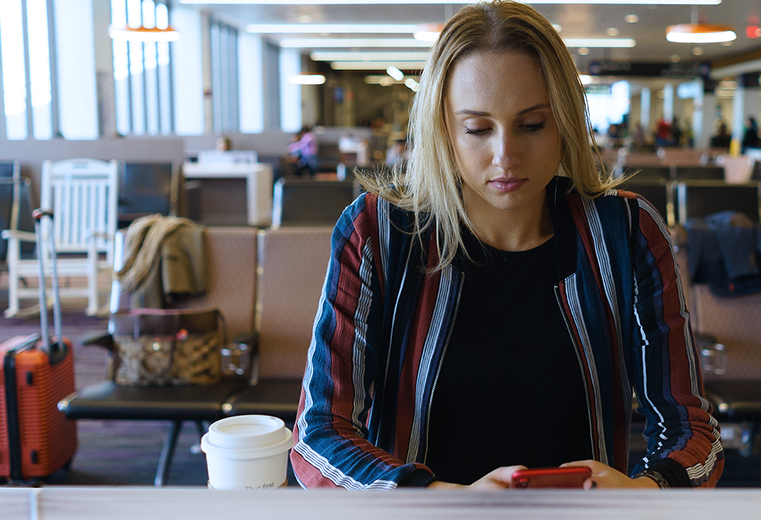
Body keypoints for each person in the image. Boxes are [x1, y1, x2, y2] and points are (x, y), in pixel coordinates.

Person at [291, 0, 723, 491]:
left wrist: (646, 491)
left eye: (532, 124)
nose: (506, 156)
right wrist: (442, 501)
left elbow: (693, 433)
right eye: (477, 129)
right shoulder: (377, 232)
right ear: (444, 130)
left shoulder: (626, 232)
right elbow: (318, 435)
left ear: (564, 120)